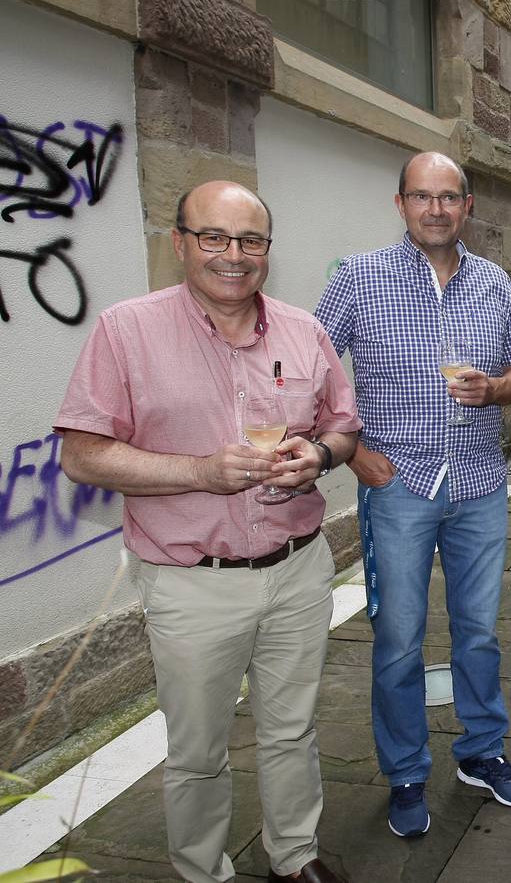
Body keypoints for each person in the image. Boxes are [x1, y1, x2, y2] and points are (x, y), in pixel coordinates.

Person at [56, 181, 360, 883]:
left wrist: (317, 455)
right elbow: (82, 454)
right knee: (197, 751)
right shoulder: (125, 330)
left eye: (250, 240)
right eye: (214, 238)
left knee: (292, 731)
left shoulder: (302, 330)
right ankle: (203, 872)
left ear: (267, 252)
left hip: (296, 568)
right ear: (180, 244)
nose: (233, 255)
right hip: (194, 582)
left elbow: (343, 426)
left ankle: (294, 856)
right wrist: (199, 470)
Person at [313, 152, 511, 838]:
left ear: (467, 206)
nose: (436, 209)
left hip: (477, 483)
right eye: (422, 196)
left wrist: (496, 389)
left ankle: (480, 751)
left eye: (449, 197)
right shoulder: (359, 276)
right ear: (401, 203)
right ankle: (406, 770)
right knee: (400, 638)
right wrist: (355, 452)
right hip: (399, 483)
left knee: (479, 633)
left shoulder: (494, 282)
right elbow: (310, 370)